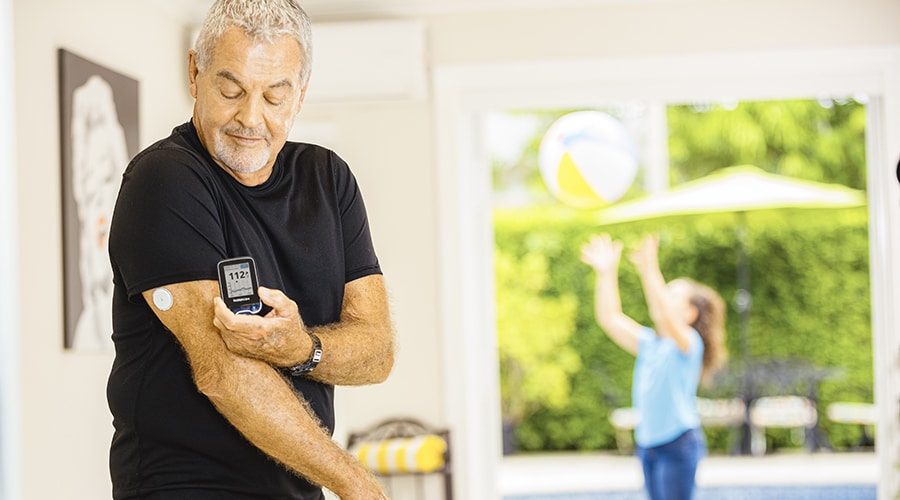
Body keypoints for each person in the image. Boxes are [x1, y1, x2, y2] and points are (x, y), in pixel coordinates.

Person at [106, 1, 395, 498]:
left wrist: (302, 348)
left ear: (300, 96)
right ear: (194, 73)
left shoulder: (329, 179)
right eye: (231, 89)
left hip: (299, 487)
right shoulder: (165, 181)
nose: (250, 117)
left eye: (274, 96)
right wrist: (358, 486)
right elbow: (225, 373)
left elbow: (377, 351)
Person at [580, 233, 727, 500]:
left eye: (672, 295)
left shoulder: (689, 344)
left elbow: (662, 313)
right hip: (648, 446)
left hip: (678, 444)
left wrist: (650, 270)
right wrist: (606, 273)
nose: (664, 298)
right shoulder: (650, 343)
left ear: (690, 313)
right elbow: (609, 318)